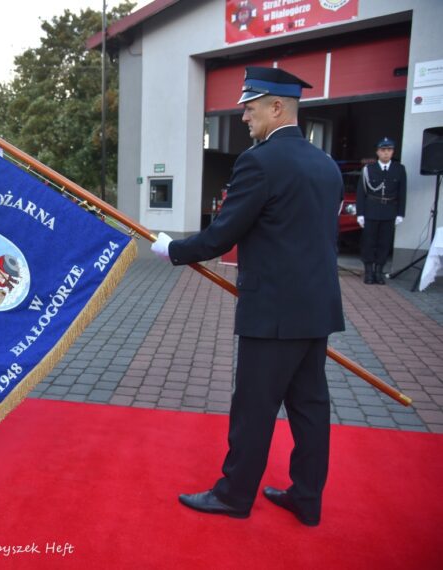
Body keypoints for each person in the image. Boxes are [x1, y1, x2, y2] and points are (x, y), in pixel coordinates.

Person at [150, 67, 344, 527]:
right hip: (316, 309)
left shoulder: (259, 161)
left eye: (250, 107)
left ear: (277, 107)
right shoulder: (327, 164)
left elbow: (223, 234)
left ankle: (234, 495)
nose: (243, 117)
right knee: (310, 409)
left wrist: (172, 249)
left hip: (272, 312)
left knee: (254, 410)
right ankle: (307, 498)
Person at [356, 137, 407, 285]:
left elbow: (402, 192)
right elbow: (361, 193)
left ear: (393, 152)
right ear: (377, 152)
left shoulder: (399, 169)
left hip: (389, 210)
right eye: (383, 150)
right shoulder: (369, 169)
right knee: (369, 242)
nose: (386, 153)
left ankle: (379, 271)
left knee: (384, 242)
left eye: (389, 150)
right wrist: (360, 213)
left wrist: (400, 213)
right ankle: (369, 271)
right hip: (371, 209)